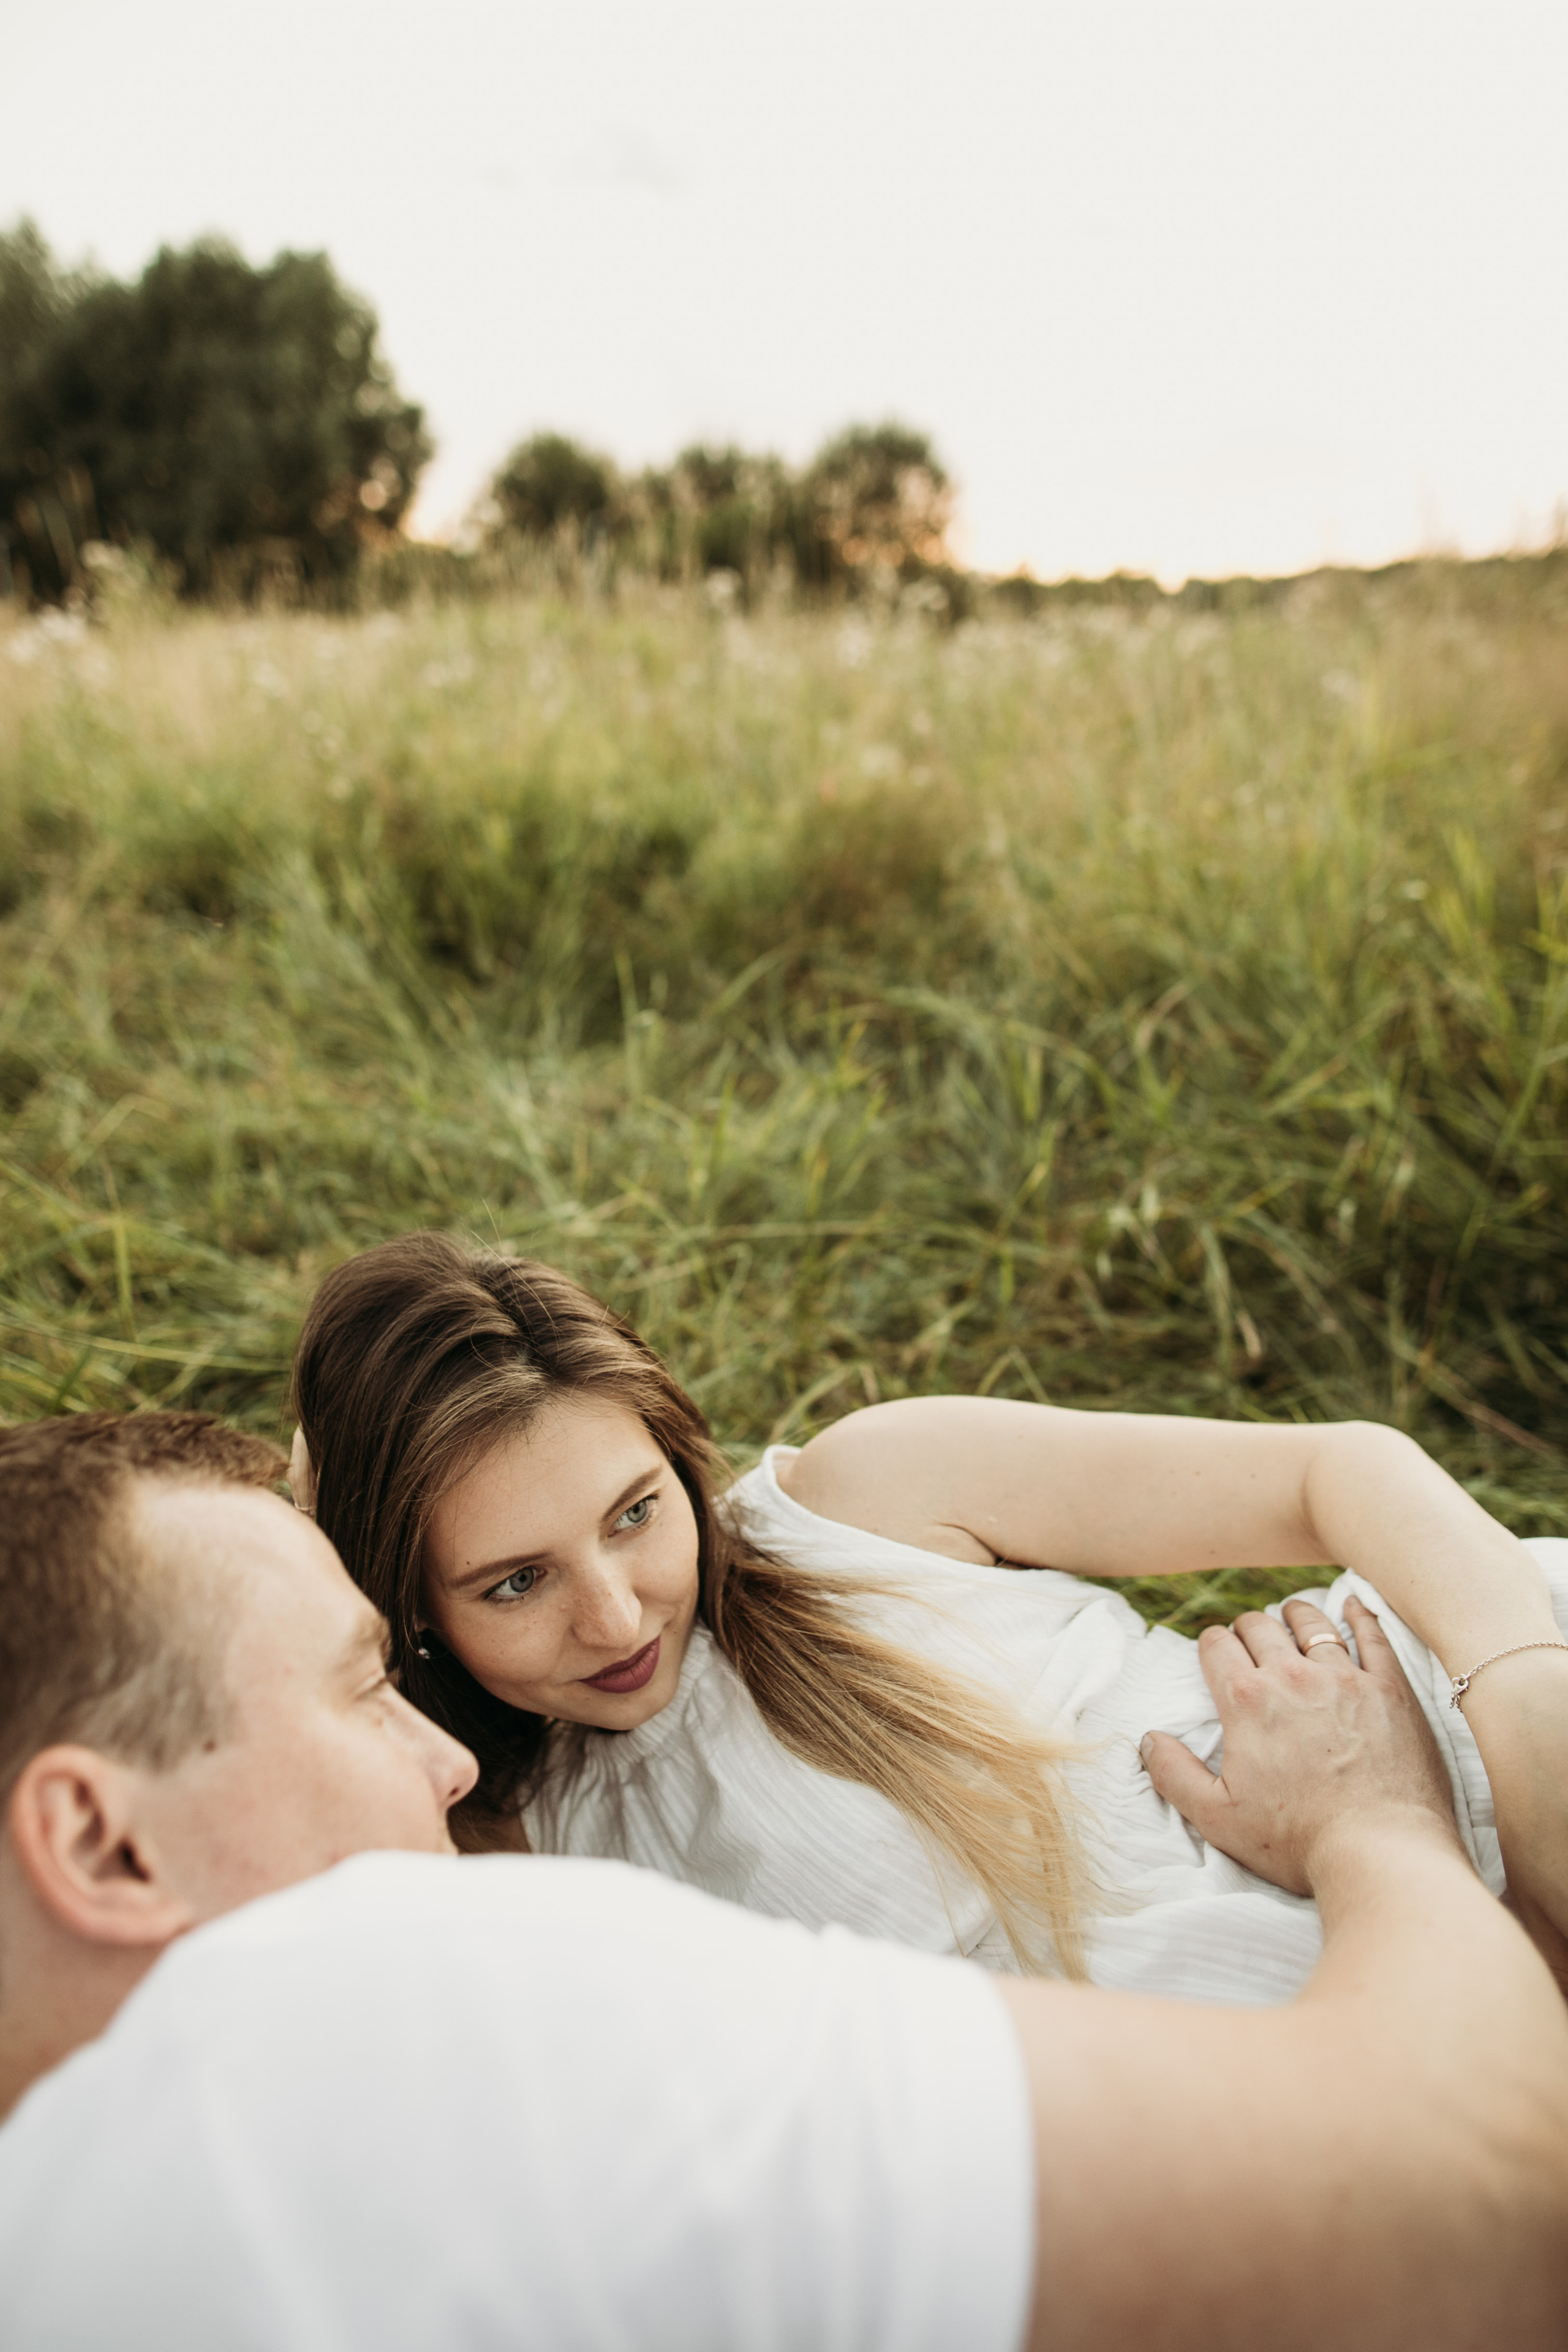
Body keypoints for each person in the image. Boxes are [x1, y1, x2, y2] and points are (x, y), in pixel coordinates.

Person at [0, 1408, 1565, 2352]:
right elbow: (1481, 2190)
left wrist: (1504, 1706)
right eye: (359, 1687)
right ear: (101, 1843)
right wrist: (1371, 1822)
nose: (446, 1765)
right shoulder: (456, 2000)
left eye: (633, 1513)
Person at [288, 1232, 1568, 1998]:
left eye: (634, 1512)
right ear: (404, 1608)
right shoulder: (514, 1850)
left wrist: (1519, 1701)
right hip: (1387, 2016)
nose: (618, 1612)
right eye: (515, 1583)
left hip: (1455, 1728)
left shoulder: (855, 1500)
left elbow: (1332, 1471)